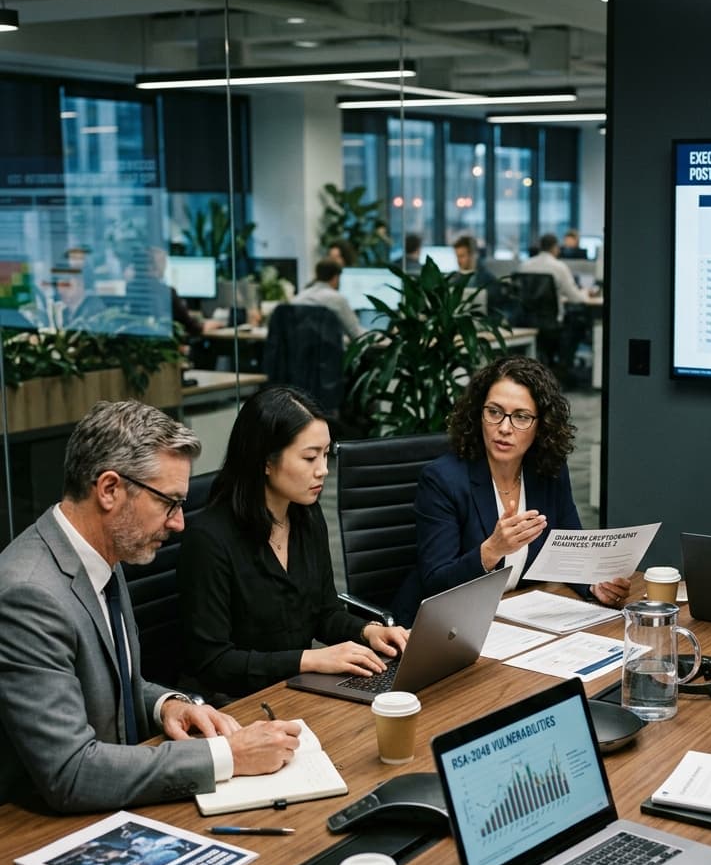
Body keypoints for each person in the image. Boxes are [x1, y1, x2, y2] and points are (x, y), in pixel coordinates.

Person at [0, 400, 301, 813]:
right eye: (168, 502)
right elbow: (71, 772)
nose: (179, 523)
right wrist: (228, 756)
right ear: (109, 490)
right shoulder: (29, 595)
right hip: (38, 828)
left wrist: (167, 705)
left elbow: (107, 681)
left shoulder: (101, 553)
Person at [178, 385, 407, 697]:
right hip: (233, 703)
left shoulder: (306, 516)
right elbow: (214, 662)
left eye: (325, 454)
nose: (323, 470)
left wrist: (368, 632)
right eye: (310, 457)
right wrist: (310, 660)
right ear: (266, 461)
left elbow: (324, 612)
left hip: (296, 689)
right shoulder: (209, 540)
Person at [390, 356, 629, 625]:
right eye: (494, 412)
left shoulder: (548, 471)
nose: (504, 428)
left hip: (514, 617)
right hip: (442, 625)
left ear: (542, 424)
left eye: (521, 417)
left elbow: (570, 552)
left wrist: (594, 586)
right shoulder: (443, 480)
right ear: (478, 414)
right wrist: (491, 551)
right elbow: (436, 583)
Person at [517, 232, 592, 319]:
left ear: (540, 247)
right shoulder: (559, 267)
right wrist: (585, 294)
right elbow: (575, 297)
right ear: (555, 248)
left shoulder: (523, 266)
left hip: (526, 319)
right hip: (551, 319)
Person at [291, 257, 366, 343]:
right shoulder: (337, 299)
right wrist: (377, 336)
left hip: (298, 349)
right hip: (327, 350)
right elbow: (356, 334)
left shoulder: (299, 297)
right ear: (336, 277)